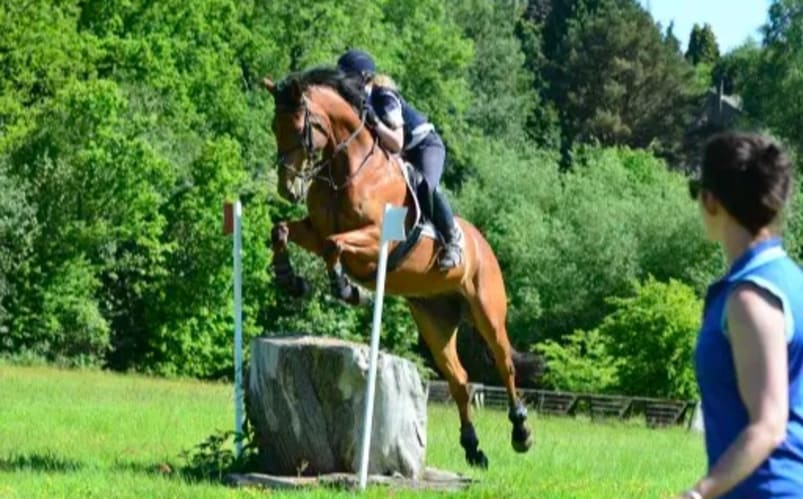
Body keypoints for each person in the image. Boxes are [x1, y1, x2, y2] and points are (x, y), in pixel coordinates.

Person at [678, 132, 803, 498]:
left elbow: (769, 424)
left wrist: (699, 493)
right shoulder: (792, 282)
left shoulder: (751, 296)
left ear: (710, 199)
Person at [336, 48, 463, 271]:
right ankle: (393, 244)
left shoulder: (384, 95)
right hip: (398, 154)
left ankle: (452, 239)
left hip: (423, 146)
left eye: (348, 79)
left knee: (425, 185)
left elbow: (396, 141)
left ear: (365, 77)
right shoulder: (356, 101)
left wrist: (374, 121)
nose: (344, 86)